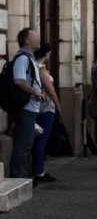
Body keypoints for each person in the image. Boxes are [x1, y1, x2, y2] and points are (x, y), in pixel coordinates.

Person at [9, 28, 45, 178]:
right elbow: (19, 81)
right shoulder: (23, 58)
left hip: (30, 107)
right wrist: (35, 92)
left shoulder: (29, 58)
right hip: (25, 108)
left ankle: (20, 175)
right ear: (27, 40)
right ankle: (18, 177)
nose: (39, 39)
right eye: (36, 36)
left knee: (26, 144)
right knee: (23, 144)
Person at [32, 42, 60, 184]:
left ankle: (37, 169)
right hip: (45, 107)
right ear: (46, 53)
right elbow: (51, 91)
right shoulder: (40, 69)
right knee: (41, 140)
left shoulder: (31, 66)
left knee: (37, 140)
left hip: (35, 107)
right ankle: (39, 172)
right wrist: (58, 106)